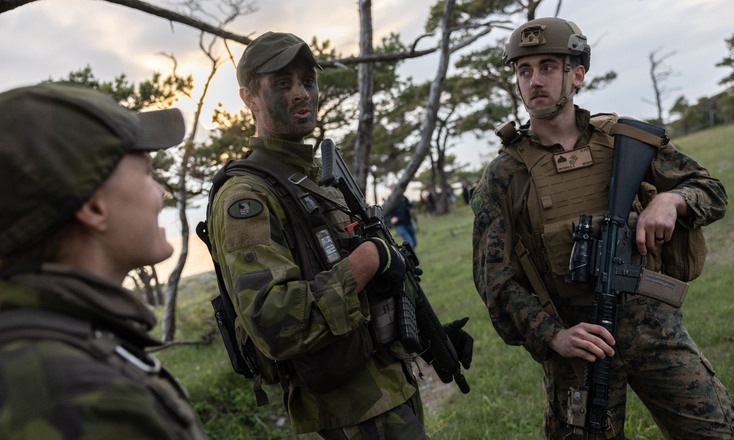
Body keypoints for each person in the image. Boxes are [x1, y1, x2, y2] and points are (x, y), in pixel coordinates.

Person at [471, 17, 734, 440]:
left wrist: (672, 200)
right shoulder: (504, 176)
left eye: (548, 67)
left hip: (655, 327)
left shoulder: (624, 142)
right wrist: (554, 336)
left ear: (576, 75)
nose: (534, 80)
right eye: (524, 71)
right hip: (579, 350)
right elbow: (495, 283)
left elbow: (711, 190)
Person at [204, 31, 471, 439]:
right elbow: (273, 321)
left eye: (308, 81)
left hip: (389, 389)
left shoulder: (316, 180)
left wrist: (423, 334)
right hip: (344, 419)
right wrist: (366, 260)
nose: (301, 94)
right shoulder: (247, 199)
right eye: (282, 83)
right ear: (248, 97)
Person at [0, 82, 208, 439]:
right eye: (146, 172)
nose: (163, 192)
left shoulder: (54, 347)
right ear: (94, 207)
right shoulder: (85, 399)